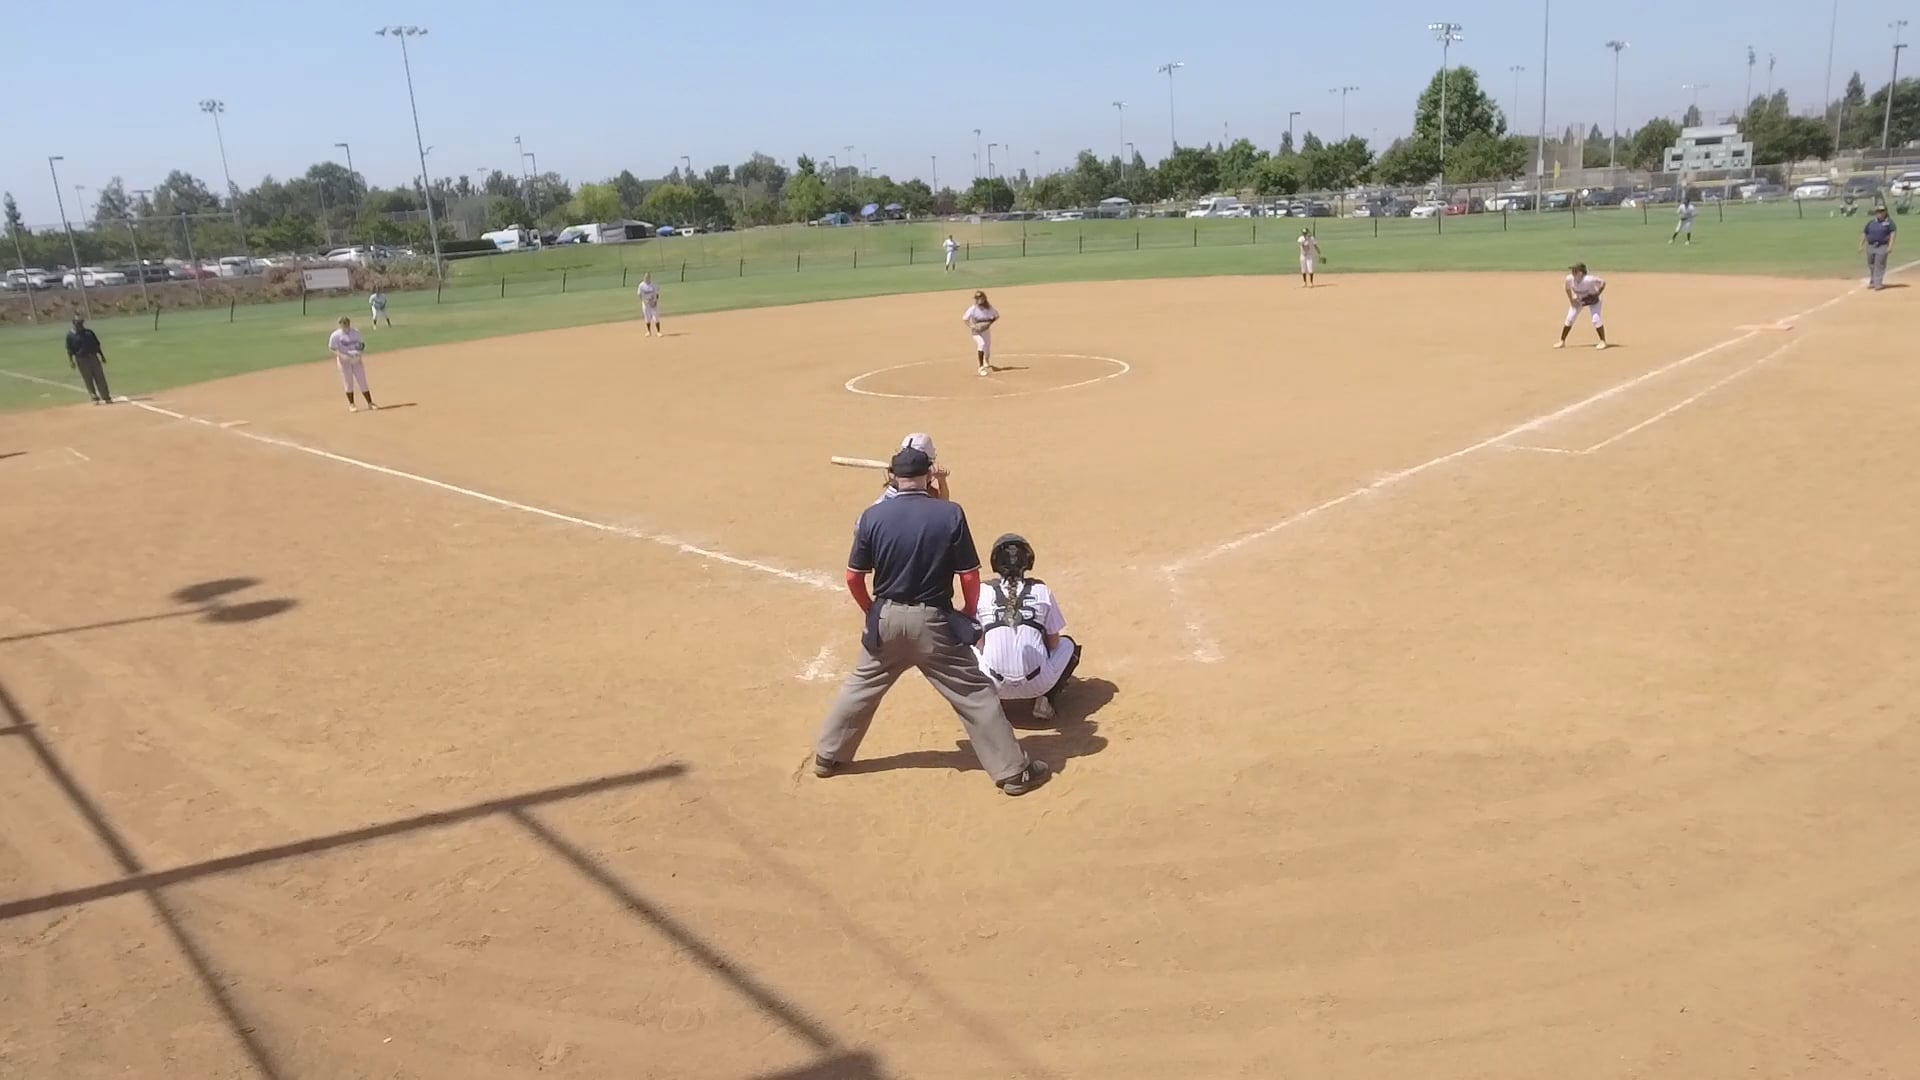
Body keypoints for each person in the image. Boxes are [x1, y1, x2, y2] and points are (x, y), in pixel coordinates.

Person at [812, 445, 1050, 796]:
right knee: (974, 692)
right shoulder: (949, 513)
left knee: (860, 686)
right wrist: (968, 613)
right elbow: (968, 575)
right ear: (927, 476)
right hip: (934, 622)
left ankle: (827, 755)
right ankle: (1014, 773)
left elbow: (853, 577)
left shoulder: (872, 516)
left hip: (886, 618)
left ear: (893, 478)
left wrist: (872, 611)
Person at [973, 534, 1081, 723]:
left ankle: (988, 704)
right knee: (1067, 644)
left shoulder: (982, 592)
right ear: (1028, 561)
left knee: (966, 645)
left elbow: (979, 643)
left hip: (994, 684)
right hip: (1039, 683)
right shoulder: (1041, 590)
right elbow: (1054, 643)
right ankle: (1045, 700)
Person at [877, 432, 951, 502]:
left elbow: (941, 501)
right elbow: (942, 506)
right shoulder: (902, 493)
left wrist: (942, 480)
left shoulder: (906, 485)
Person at [328, 316, 377, 412]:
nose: (345, 326)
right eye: (343, 324)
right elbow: (332, 347)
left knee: (362, 381)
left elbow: (361, 344)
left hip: (356, 360)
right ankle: (352, 404)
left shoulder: (355, 332)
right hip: (344, 362)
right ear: (340, 325)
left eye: (347, 323)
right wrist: (341, 355)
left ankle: (370, 403)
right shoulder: (336, 335)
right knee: (348, 382)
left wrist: (359, 353)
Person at [1555, 263, 1609, 351]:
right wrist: (1571, 300)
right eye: (1572, 270)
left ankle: (1603, 341)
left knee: (1595, 319)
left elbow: (1603, 282)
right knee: (1570, 318)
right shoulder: (1569, 279)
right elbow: (1567, 288)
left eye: (1575, 270)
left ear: (1581, 273)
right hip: (1579, 299)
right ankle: (1562, 341)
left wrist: (1597, 293)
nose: (1572, 272)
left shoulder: (1589, 279)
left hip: (1593, 300)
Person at [64, 316, 112, 405]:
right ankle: (94, 397)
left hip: (93, 357)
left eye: (81, 323)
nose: (80, 325)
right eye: (78, 323)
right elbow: (69, 349)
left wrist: (102, 356)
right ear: (74, 323)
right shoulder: (70, 335)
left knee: (100, 377)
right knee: (88, 378)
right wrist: (71, 361)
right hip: (81, 359)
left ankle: (106, 396)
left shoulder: (89, 333)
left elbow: (97, 345)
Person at [963, 290, 998, 376]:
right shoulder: (973, 309)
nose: (978, 300)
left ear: (984, 298)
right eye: (977, 298)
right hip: (976, 332)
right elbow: (965, 319)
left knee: (987, 348)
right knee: (981, 344)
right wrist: (971, 326)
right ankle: (981, 367)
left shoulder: (989, 308)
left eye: (980, 298)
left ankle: (986, 360)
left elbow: (996, 316)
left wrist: (989, 323)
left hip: (986, 331)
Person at [1862, 204, 1897, 290]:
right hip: (1871, 245)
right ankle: (1872, 281)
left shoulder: (1889, 223)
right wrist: (1861, 245)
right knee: (1871, 264)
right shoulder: (1871, 222)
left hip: (1882, 246)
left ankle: (1878, 283)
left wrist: (1890, 246)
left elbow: (1892, 234)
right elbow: (1865, 233)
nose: (1880, 214)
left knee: (1880, 265)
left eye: (1882, 211)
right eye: (1878, 212)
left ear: (1885, 212)